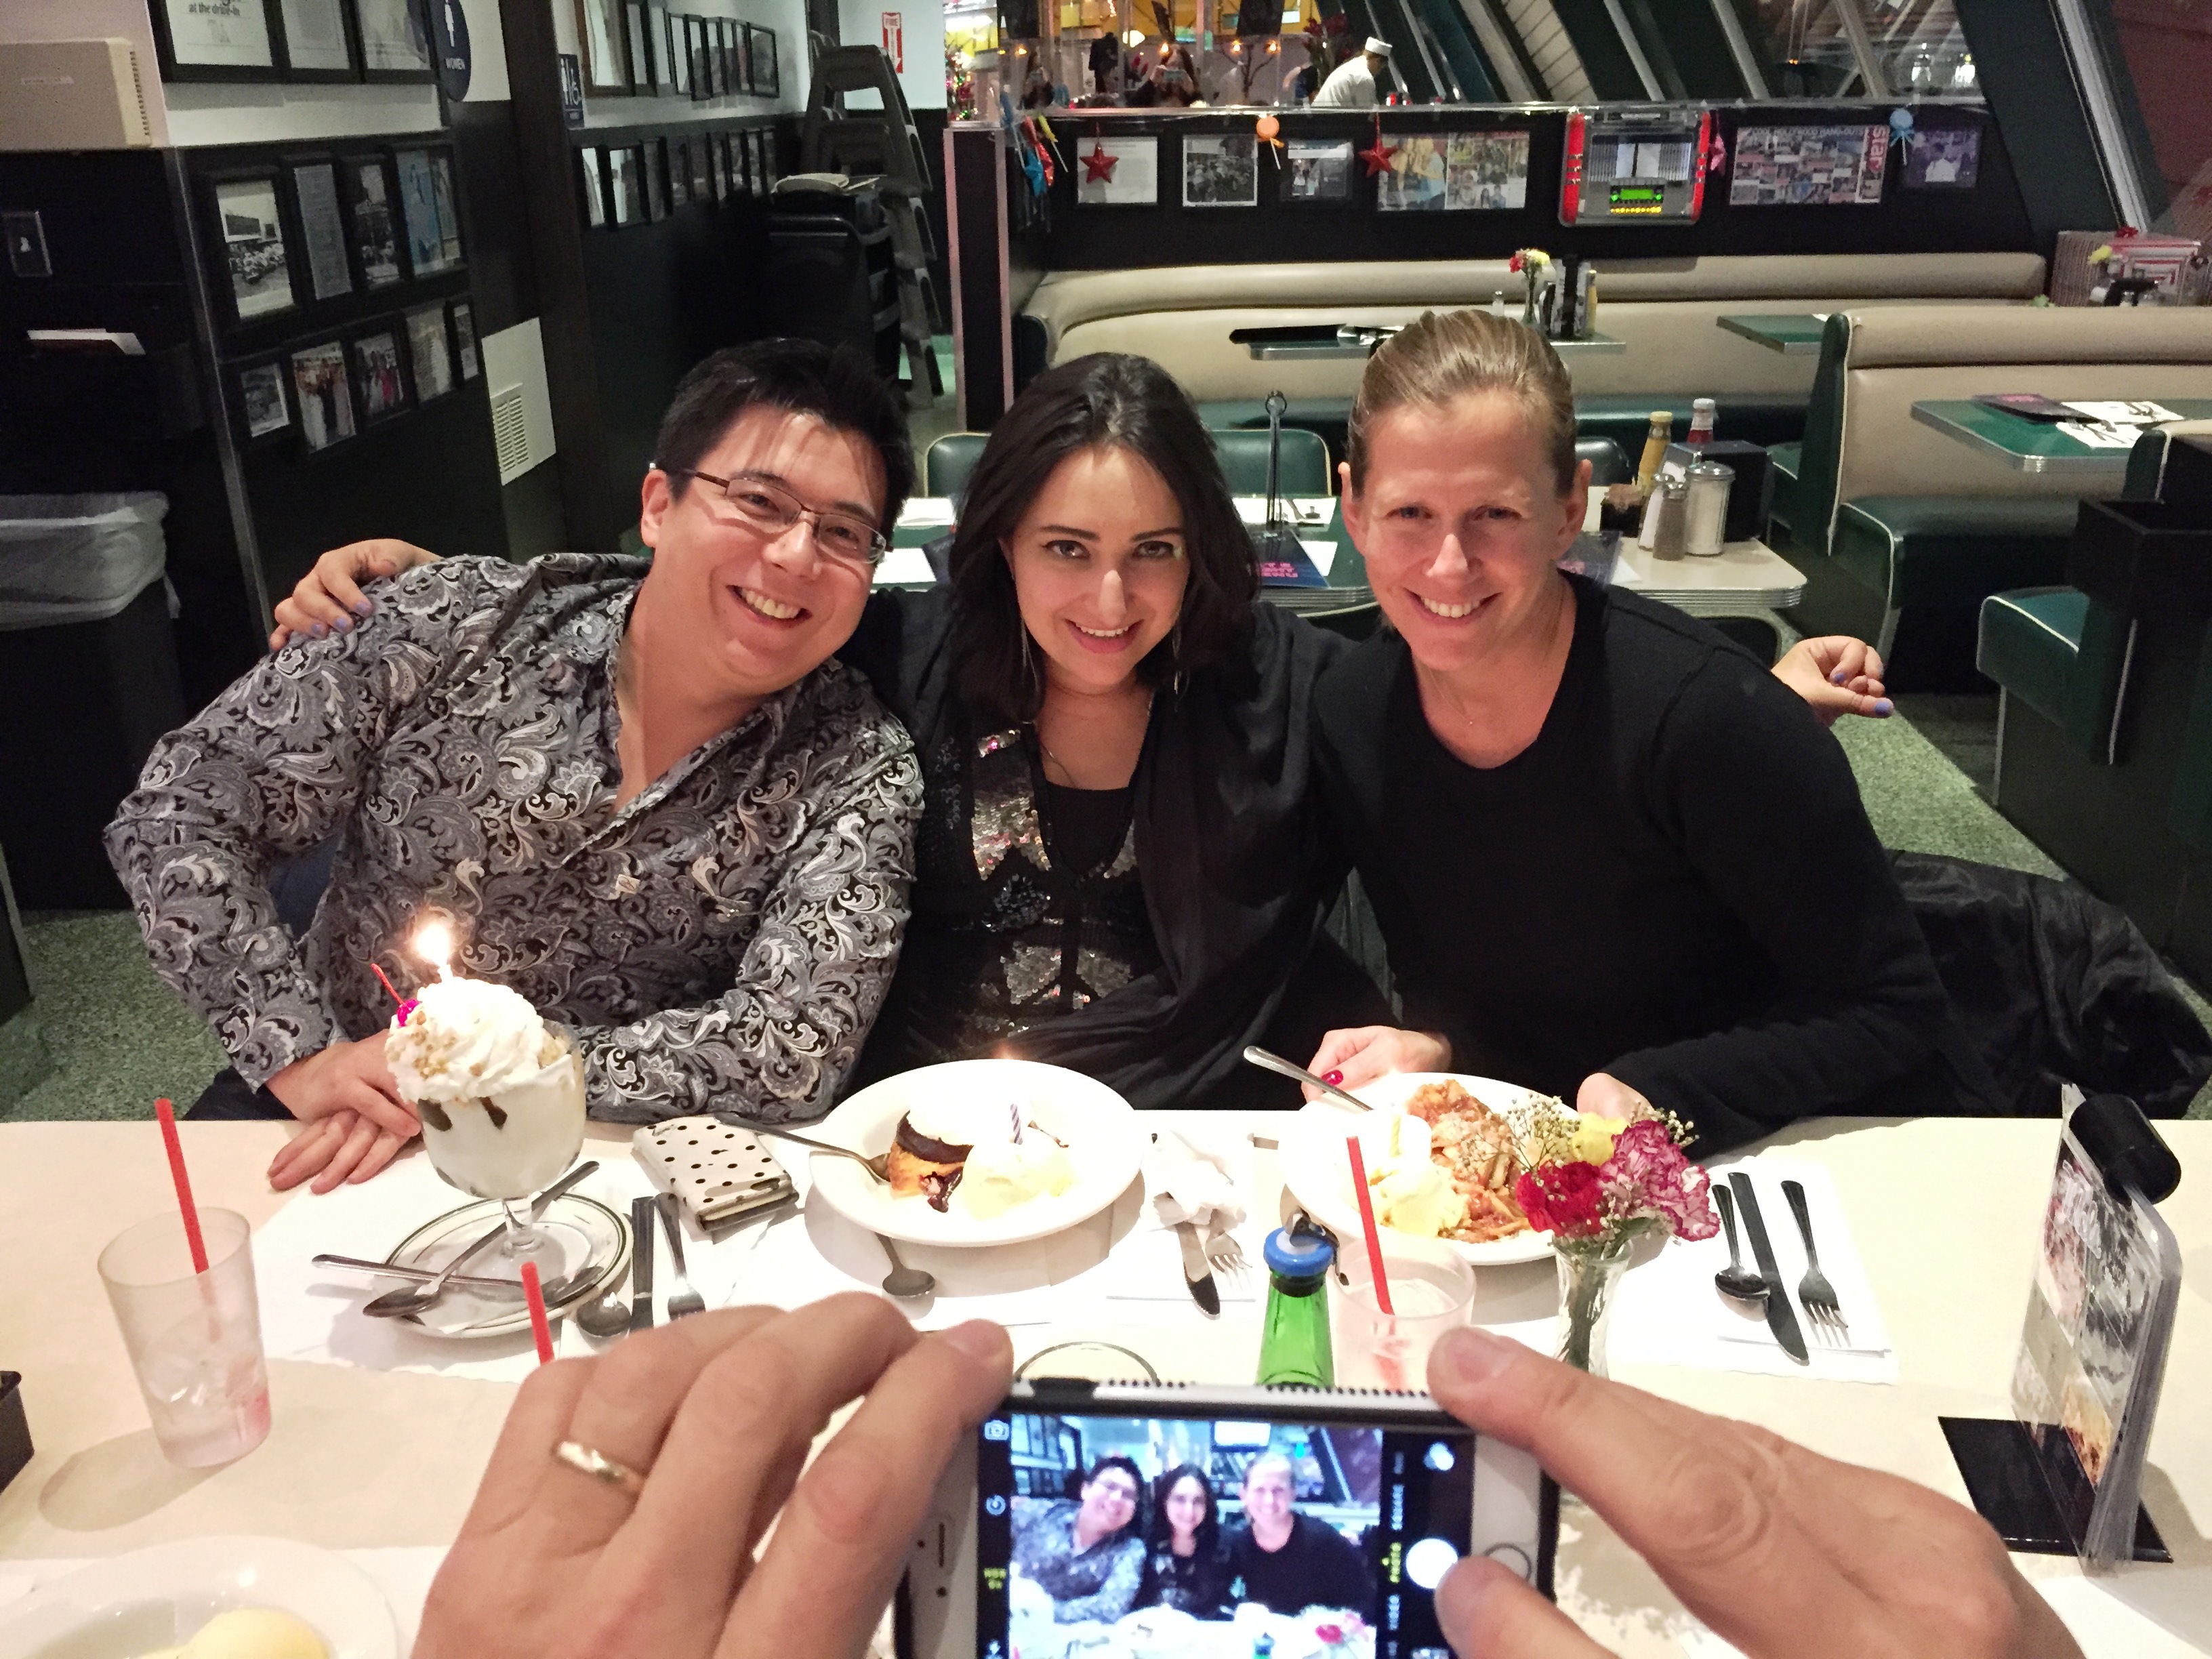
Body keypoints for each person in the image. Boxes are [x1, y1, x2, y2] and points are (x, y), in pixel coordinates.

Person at [274, 355, 1893, 1120]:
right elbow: (730, 596)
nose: (1107, 599)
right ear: (996, 548)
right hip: (900, 1130)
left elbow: (1502, 704)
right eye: (1064, 549)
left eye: (1150, 552)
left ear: (1209, 554)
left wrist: (1753, 689)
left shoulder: (1293, 690)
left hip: (1203, 1132)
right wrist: (464, 593)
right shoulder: (902, 652)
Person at [106, 340, 921, 1192]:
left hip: (595, 1164)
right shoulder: (449, 621)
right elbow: (181, 810)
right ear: (657, 504)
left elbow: (787, 1049)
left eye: (843, 532)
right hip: (332, 1117)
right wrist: (300, 1052)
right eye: (758, 501)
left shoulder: (854, 764)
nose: (795, 555)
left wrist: (472, 1071)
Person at [401, 1299, 2083, 1658]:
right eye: (1188, 1500)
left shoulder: (1330, 1556)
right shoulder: (1095, 1548)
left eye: (1214, 1501)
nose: (1202, 1505)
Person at [1303, 310, 1992, 1148]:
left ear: (1568, 508)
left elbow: (1895, 1010)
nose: (1449, 565)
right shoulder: (1354, 711)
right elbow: (1445, 978)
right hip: (1533, 1153)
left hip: (1762, 1151)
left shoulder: (1708, 719)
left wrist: (1660, 1090)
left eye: (1496, 514)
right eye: (1410, 512)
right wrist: (1435, 1044)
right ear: (1353, 506)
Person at [1223, 1451, 1372, 1616]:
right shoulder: (1240, 1543)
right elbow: (1217, 1594)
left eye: (1278, 1490)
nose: (1269, 1500)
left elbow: (1365, 1599)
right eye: (1259, 1490)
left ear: (1293, 1493)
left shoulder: (1323, 1539)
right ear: (1243, 1494)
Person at [1010, 1454, 1148, 1622]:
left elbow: (1109, 1608)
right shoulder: (1040, 1514)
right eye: (1110, 1487)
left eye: (1128, 1495)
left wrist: (1034, 1611)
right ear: (1085, 1489)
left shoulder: (1130, 1549)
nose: (1116, 1498)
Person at [1136, 1463, 1234, 1618]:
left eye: (1198, 1501)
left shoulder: (1225, 1543)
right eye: (1180, 1499)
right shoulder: (1145, 1542)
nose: (1189, 1510)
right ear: (1164, 1501)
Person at [1310, 36, 1391, 108]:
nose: (1378, 72)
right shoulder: (1364, 77)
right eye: (1381, 68)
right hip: (1331, 122)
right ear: (1378, 61)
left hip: (1322, 120)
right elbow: (1370, 114)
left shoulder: (1354, 65)